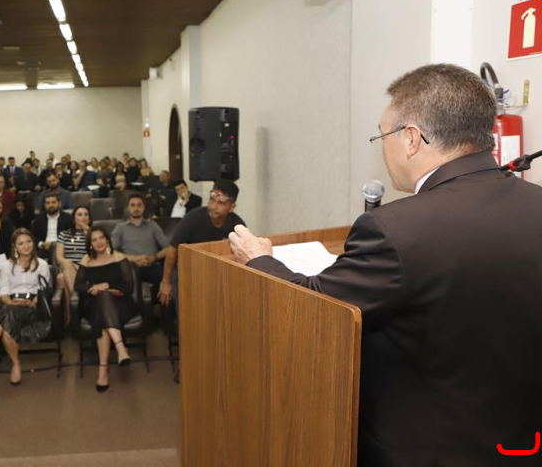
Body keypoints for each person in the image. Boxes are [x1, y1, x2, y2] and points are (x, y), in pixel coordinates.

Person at [230, 64, 542, 466]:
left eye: (382, 136)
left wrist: (258, 259)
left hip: (425, 450)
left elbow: (317, 307)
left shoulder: (395, 229)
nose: (382, 148)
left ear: (411, 138)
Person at [0, 228, 52, 384]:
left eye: (28, 241)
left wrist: (32, 302)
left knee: (5, 315)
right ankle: (16, 363)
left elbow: (44, 291)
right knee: (7, 329)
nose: (26, 246)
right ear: (15, 247)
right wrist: (11, 302)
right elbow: (4, 291)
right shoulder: (7, 265)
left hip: (32, 307)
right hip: (11, 304)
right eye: (21, 243)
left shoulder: (42, 264)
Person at [159, 180, 244, 313]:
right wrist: (166, 282)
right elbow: (172, 251)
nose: (213, 206)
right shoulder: (192, 218)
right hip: (188, 273)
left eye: (221, 203)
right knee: (187, 314)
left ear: (231, 207)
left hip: (218, 276)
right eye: (212, 199)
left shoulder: (238, 226)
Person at [74, 227, 136, 392]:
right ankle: (120, 348)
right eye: (94, 240)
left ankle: (103, 370)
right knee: (103, 300)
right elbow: (78, 285)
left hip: (120, 303)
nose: (99, 242)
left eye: (101, 238)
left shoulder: (119, 257)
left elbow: (128, 286)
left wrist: (107, 285)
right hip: (94, 303)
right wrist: (92, 289)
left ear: (107, 239)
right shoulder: (87, 260)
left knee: (103, 310)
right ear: (90, 244)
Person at [111, 193, 170, 302]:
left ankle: (157, 308)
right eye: (133, 205)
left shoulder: (153, 225)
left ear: (144, 207)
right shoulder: (120, 228)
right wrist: (134, 258)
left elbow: (168, 248)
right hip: (130, 267)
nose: (136, 208)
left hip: (151, 265)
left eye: (139, 205)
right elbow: (110, 251)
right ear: (127, 208)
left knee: (167, 275)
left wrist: (154, 257)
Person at [55, 206, 91, 321]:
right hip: (68, 266)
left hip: (86, 268)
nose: (83, 217)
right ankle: (78, 301)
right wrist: (70, 264)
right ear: (74, 219)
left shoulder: (94, 234)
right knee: (67, 264)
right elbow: (59, 258)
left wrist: (88, 233)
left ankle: (70, 317)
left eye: (86, 214)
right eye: (79, 215)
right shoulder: (64, 234)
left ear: (90, 219)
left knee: (62, 278)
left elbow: (94, 254)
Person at [31, 195, 72, 260]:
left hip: (61, 248)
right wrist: (41, 244)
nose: (50, 205)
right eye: (48, 203)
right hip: (43, 248)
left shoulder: (68, 218)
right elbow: (32, 235)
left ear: (59, 204)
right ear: (44, 205)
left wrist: (54, 244)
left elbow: (70, 236)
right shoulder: (39, 218)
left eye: (53, 202)